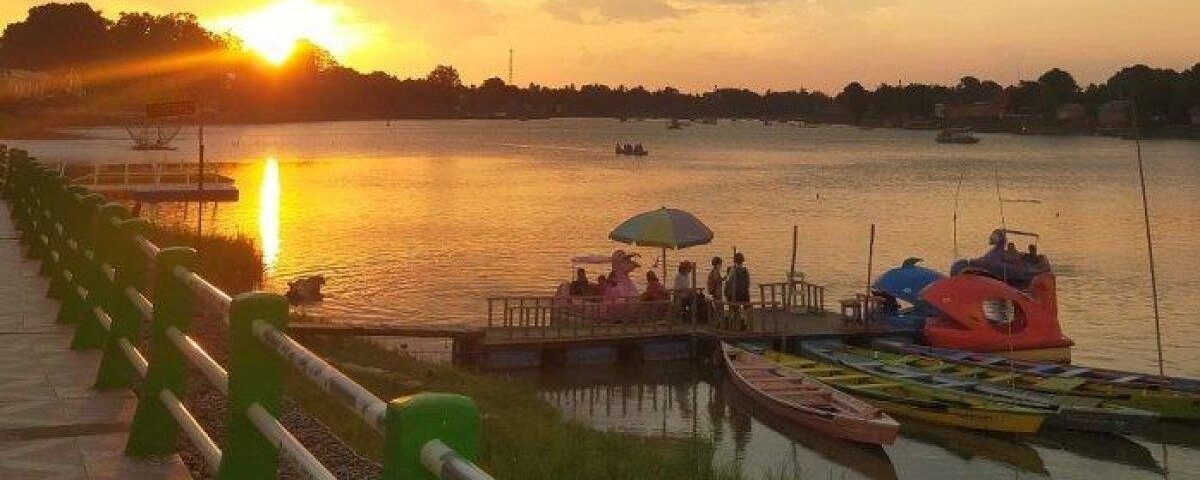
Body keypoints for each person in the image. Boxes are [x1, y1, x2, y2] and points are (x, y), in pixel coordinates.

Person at [724, 253, 751, 329]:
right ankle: (745, 322)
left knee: (734, 309)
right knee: (746, 309)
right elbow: (748, 283)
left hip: (735, 294)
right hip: (744, 294)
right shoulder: (745, 270)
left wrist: (727, 292)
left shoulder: (733, 270)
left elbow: (729, 283)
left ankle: (736, 324)